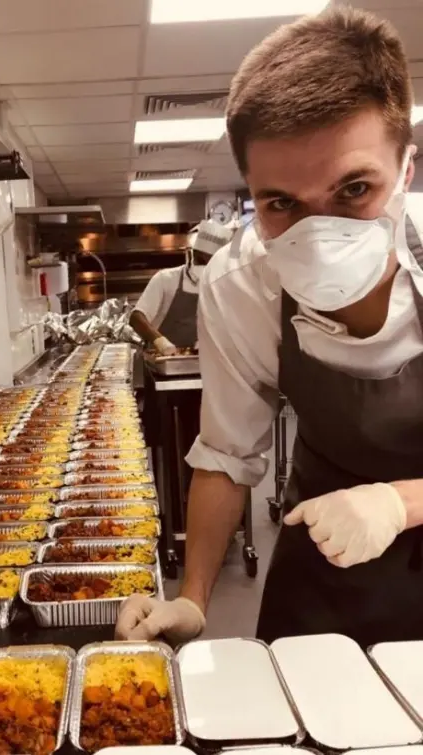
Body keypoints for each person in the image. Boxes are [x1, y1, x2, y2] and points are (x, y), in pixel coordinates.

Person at [116, 5, 423, 648]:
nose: (319, 233)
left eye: (354, 189)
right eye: (281, 202)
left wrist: (402, 503)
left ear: (407, 171)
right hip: (327, 545)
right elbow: (228, 456)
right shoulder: (240, 285)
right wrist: (193, 600)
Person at [129, 219, 233, 353]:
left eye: (213, 262)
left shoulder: (224, 284)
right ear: (193, 254)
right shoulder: (166, 279)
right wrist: (160, 342)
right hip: (162, 363)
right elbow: (136, 317)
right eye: (202, 261)